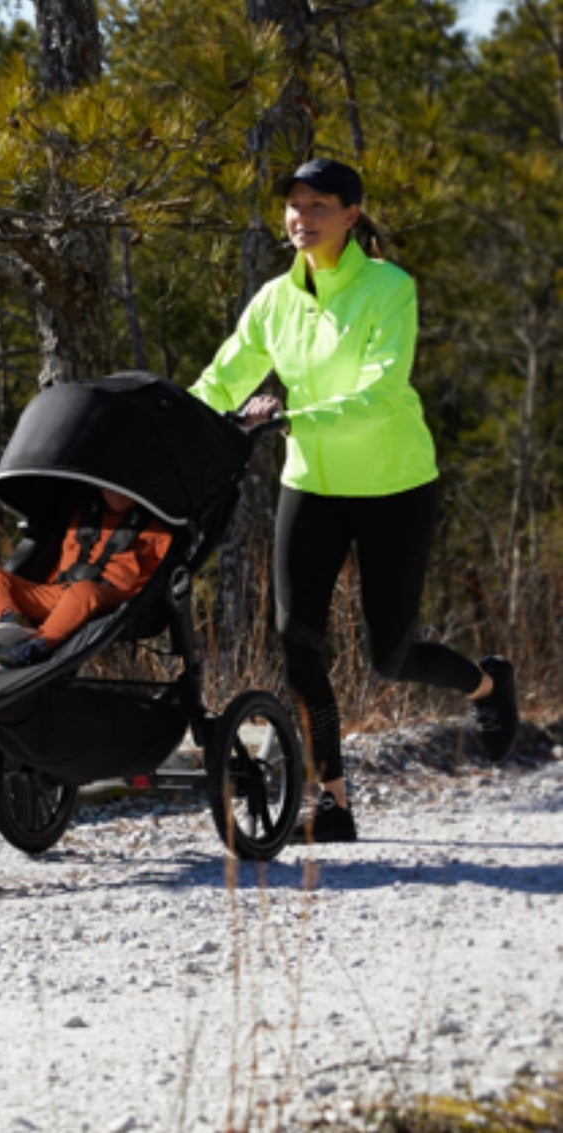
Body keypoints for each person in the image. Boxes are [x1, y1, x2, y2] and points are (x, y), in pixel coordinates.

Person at [191, 157, 519, 843]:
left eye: (316, 206)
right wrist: (173, 424)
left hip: (391, 484)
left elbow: (380, 389)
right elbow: (222, 378)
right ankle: (332, 803)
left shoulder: (388, 288)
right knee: (296, 640)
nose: (299, 218)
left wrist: (289, 419)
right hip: (309, 481)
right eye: (292, 205)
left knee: (388, 655)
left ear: (350, 214)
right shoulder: (275, 299)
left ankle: (486, 685)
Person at [0, 487, 173, 671]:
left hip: (109, 597)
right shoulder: (83, 515)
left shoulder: (157, 530)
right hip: (61, 591)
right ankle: (14, 621)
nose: (116, 496)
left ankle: (36, 645)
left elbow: (163, 573)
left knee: (83, 591)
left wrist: (140, 601)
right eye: (109, 490)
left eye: (122, 492)